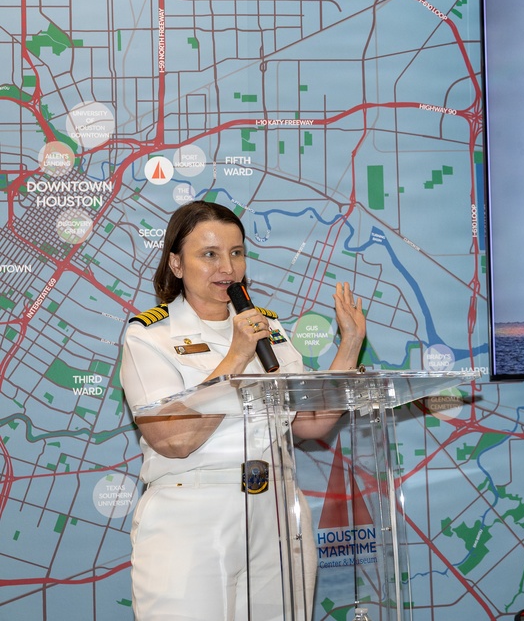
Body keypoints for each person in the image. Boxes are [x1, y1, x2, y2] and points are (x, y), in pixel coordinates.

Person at [119, 200, 366, 621]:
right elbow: (174, 441)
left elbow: (310, 424)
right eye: (209, 254)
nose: (227, 268)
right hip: (192, 515)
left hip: (277, 512)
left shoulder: (269, 328)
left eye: (236, 253)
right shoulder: (150, 335)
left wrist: (350, 345)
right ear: (176, 263)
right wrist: (235, 357)